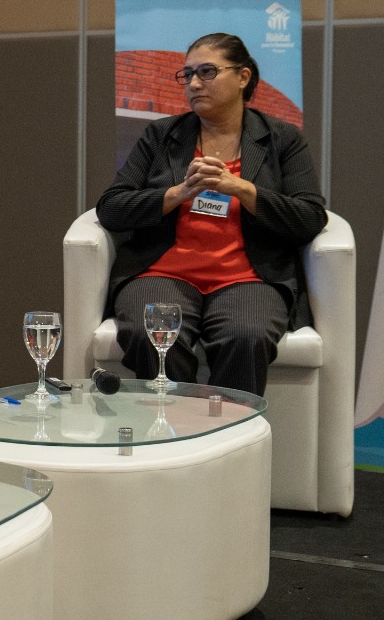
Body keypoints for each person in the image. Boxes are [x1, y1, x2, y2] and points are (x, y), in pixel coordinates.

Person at [96, 32, 326, 394]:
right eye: (188, 75)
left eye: (207, 72)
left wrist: (243, 189)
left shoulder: (282, 140)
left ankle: (229, 442)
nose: (194, 83)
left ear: (243, 77)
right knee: (152, 334)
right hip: (162, 271)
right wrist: (177, 193)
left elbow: (311, 216)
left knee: (246, 335)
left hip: (249, 277)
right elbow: (110, 207)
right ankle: (173, 440)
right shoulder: (161, 136)